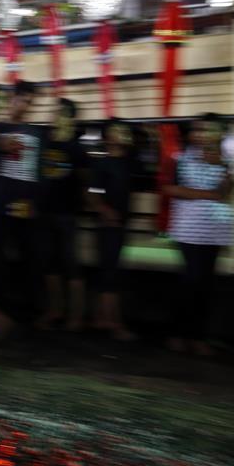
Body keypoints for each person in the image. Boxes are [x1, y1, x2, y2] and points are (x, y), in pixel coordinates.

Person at [164, 114, 234, 357]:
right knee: (191, 280)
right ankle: (177, 333)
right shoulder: (180, 158)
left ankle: (197, 337)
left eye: (209, 130)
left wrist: (224, 169)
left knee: (206, 284)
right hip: (188, 229)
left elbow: (226, 193)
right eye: (199, 130)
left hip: (215, 230)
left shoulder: (225, 159)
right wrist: (206, 194)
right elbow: (170, 188)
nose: (203, 135)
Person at [0, 80, 46, 316]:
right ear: (13, 98)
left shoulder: (36, 132)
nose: (27, 106)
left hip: (25, 203)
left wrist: (35, 202)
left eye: (31, 102)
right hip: (1, 202)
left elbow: (38, 172)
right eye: (24, 100)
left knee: (29, 253)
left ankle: (27, 308)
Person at [36, 97, 88, 331]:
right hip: (46, 212)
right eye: (56, 112)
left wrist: (83, 204)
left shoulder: (77, 148)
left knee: (70, 265)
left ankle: (76, 316)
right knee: (49, 265)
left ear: (72, 118)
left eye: (63, 113)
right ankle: (54, 310)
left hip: (68, 213)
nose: (57, 117)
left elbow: (86, 181)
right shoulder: (46, 143)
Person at [89, 122, 137, 342]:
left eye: (123, 131)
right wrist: (105, 210)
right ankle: (113, 323)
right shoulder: (103, 164)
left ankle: (100, 318)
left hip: (120, 224)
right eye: (116, 132)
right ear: (108, 138)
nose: (121, 135)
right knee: (110, 273)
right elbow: (92, 193)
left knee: (110, 270)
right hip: (109, 225)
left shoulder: (128, 163)